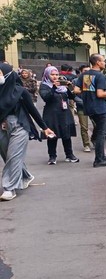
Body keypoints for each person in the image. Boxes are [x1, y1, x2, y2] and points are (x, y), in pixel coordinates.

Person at [0, 63, 55, 201]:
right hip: (1, 127)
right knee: (8, 157)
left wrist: (44, 128)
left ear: (7, 74)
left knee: (13, 157)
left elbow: (33, 110)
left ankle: (9, 188)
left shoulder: (20, 91)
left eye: (0, 73)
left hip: (19, 126)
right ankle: (26, 176)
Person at [73, 54, 106, 167]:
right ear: (97, 62)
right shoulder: (100, 76)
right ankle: (99, 159)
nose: (105, 63)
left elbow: (76, 90)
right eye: (103, 61)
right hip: (99, 107)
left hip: (89, 107)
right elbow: (100, 94)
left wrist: (87, 95)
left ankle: (100, 153)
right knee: (102, 132)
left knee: (100, 130)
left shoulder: (86, 75)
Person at [40, 66, 80, 165]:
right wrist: (54, 87)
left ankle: (69, 155)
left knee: (66, 134)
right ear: (47, 75)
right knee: (52, 135)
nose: (55, 77)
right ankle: (52, 156)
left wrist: (69, 86)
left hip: (64, 112)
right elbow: (46, 97)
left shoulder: (62, 86)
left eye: (56, 75)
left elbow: (72, 96)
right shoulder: (45, 85)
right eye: (52, 75)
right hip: (51, 113)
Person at [74, 64, 94, 152]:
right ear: (81, 72)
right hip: (81, 107)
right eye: (85, 71)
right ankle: (86, 144)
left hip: (92, 107)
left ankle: (94, 140)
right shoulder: (75, 81)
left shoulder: (90, 80)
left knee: (97, 126)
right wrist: (82, 102)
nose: (87, 73)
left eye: (88, 71)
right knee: (84, 127)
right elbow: (73, 95)